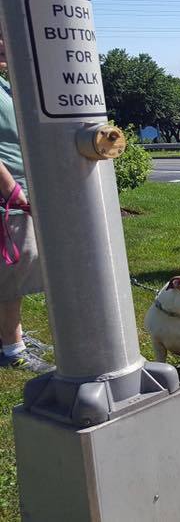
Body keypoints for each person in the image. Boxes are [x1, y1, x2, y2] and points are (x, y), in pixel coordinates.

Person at [0, 31, 55, 373]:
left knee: (18, 269)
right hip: (8, 197)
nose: (6, 43)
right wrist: (12, 191)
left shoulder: (6, 84)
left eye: (6, 36)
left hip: (16, 191)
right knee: (12, 272)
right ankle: (12, 348)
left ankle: (10, 336)